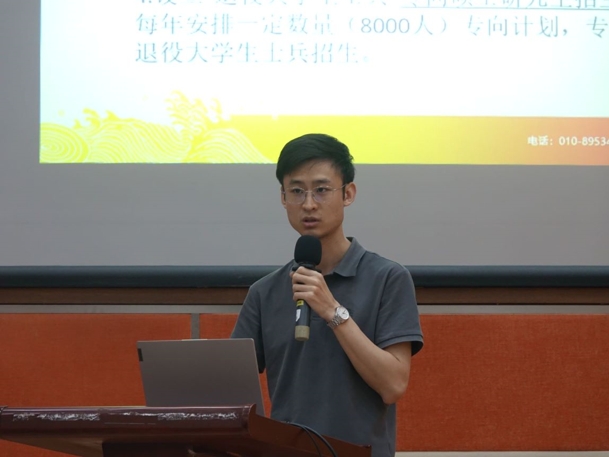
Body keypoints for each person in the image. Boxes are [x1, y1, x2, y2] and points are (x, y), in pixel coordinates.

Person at [231, 133, 423, 457]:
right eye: (296, 191)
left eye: (321, 190)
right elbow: (231, 390)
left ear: (348, 194)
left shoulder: (388, 279)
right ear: (283, 198)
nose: (308, 204)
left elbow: (393, 385)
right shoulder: (264, 293)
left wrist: (333, 311)